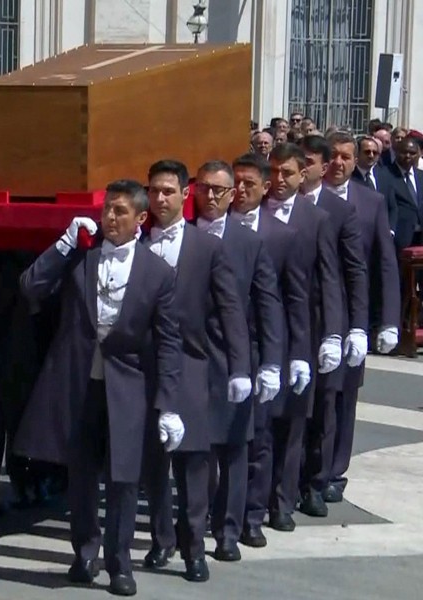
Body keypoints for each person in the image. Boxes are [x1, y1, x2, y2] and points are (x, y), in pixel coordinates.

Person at [14, 179, 183, 597]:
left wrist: (169, 404)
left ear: (141, 219)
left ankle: (119, 562)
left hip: (128, 388)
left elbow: (168, 343)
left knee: (124, 478)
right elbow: (30, 287)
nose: (110, 218)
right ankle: (83, 551)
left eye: (121, 211)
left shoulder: (157, 273)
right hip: (79, 383)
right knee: (81, 474)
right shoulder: (81, 259)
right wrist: (64, 244)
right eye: (108, 209)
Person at [141, 160, 250, 583]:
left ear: (186, 194)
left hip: (190, 366)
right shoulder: (135, 240)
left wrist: (240, 366)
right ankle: (160, 539)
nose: (161, 199)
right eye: (154, 191)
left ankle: (193, 550)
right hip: (144, 366)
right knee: (152, 463)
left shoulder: (207, 248)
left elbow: (230, 309)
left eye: (169, 191)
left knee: (192, 465)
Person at [193, 160, 283, 563]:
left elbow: (268, 304)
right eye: (205, 188)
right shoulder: (179, 236)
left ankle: (228, 530)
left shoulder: (249, 243)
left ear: (232, 196)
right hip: (190, 357)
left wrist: (271, 362)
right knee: (195, 454)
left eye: (220, 190)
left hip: (234, 358)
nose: (211, 197)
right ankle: (188, 527)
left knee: (232, 450)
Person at [258, 143, 342, 533]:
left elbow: (328, 279)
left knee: (292, 423)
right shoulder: (253, 214)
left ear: (303, 174)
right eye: (273, 172)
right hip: (259, 329)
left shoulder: (317, 219)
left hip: (300, 329)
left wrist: (334, 334)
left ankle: (282, 501)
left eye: (287, 173)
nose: (279, 180)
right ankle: (252, 501)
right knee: (259, 424)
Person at [230, 153, 311, 548]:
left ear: (264, 189)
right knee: (223, 439)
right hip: (221, 349)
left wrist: (292, 355)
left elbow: (293, 299)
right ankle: (221, 511)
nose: (241, 190)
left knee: (260, 438)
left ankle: (252, 515)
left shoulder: (282, 237)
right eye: (236, 183)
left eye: (249, 184)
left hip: (263, 346)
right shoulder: (211, 230)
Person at [322, 132, 400, 501]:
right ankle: (311, 471)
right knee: (316, 399)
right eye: (333, 156)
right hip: (315, 312)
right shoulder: (308, 198)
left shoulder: (372, 203)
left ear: (355, 162)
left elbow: (384, 264)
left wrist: (387, 320)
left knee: (344, 397)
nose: (338, 163)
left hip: (353, 313)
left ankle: (336, 471)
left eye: (346, 157)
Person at [298, 135, 368, 518]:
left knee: (325, 406)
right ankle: (286, 481)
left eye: (308, 161)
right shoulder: (276, 207)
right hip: (291, 320)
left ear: (322, 168)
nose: (302, 168)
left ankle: (316, 480)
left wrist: (355, 326)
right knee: (292, 407)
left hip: (327, 319)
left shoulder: (339, 212)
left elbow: (353, 272)